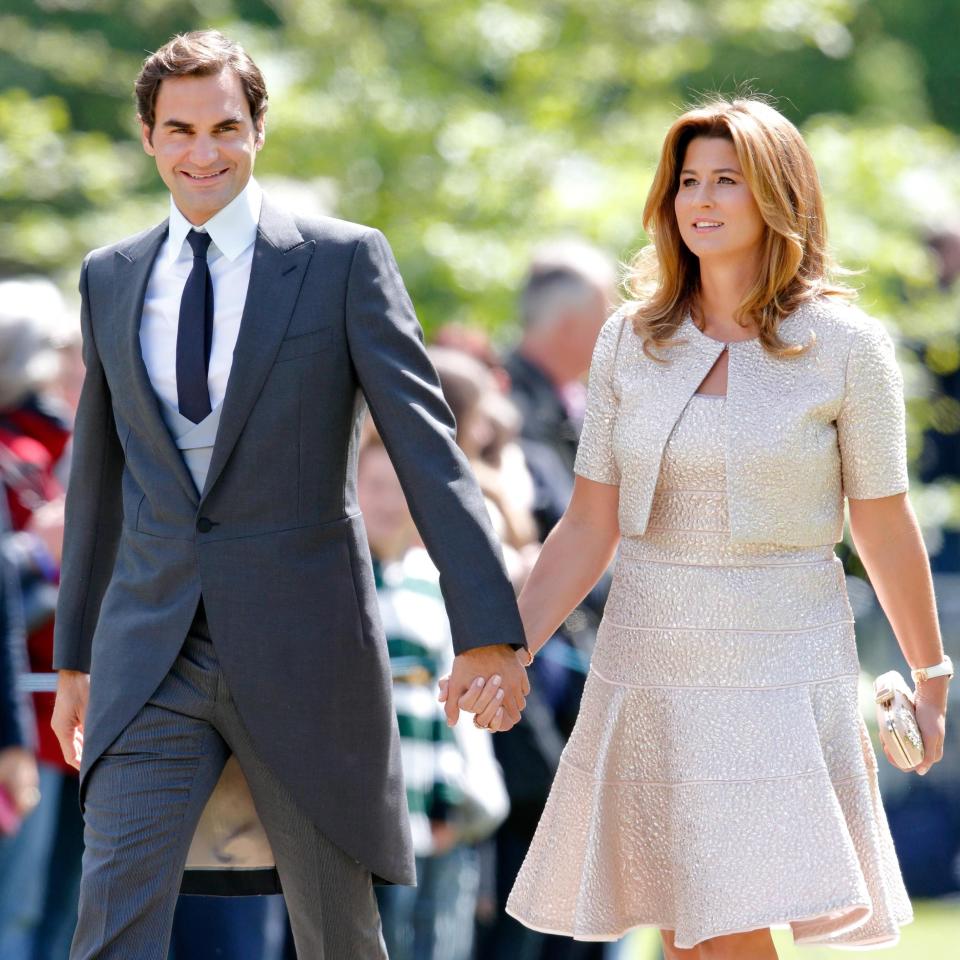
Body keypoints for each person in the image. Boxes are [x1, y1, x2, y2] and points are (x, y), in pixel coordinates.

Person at [49, 29, 528, 960]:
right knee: (109, 925)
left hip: (308, 654)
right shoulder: (109, 276)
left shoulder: (343, 261)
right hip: (152, 656)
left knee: (338, 937)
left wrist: (489, 629)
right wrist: (76, 657)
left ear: (259, 129)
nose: (204, 152)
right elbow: (99, 476)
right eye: (180, 129)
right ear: (148, 136)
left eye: (226, 126)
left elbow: (429, 449)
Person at [447, 97, 952, 957]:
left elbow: (883, 522)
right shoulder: (626, 341)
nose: (702, 200)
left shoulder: (848, 346)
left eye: (729, 181)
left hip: (781, 657)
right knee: (686, 928)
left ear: (778, 199)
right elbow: (587, 524)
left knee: (724, 919)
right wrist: (507, 646)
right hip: (652, 654)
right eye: (688, 182)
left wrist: (931, 672)